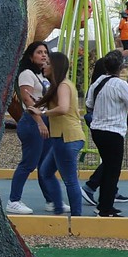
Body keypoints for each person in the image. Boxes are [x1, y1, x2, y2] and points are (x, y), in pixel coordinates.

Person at [83, 51, 128, 217]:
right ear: (122, 67)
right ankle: (104, 208)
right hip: (114, 130)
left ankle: (104, 204)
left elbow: (89, 104)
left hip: (97, 129)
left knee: (108, 167)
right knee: (113, 171)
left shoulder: (97, 83)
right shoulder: (120, 85)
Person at [40, 51, 90, 216]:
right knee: (46, 172)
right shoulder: (60, 85)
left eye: (47, 63)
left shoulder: (63, 85)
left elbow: (63, 108)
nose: (43, 65)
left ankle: (76, 217)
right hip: (61, 137)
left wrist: (43, 114)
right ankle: (59, 208)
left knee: (70, 180)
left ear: (55, 67)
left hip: (67, 137)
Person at [5, 42, 52, 215]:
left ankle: (51, 200)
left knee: (45, 164)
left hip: (44, 120)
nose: (44, 55)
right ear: (30, 56)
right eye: (39, 52)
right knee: (29, 163)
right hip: (32, 122)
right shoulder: (26, 74)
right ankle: (14, 200)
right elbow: (28, 100)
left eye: (45, 52)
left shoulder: (43, 76)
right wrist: (39, 122)